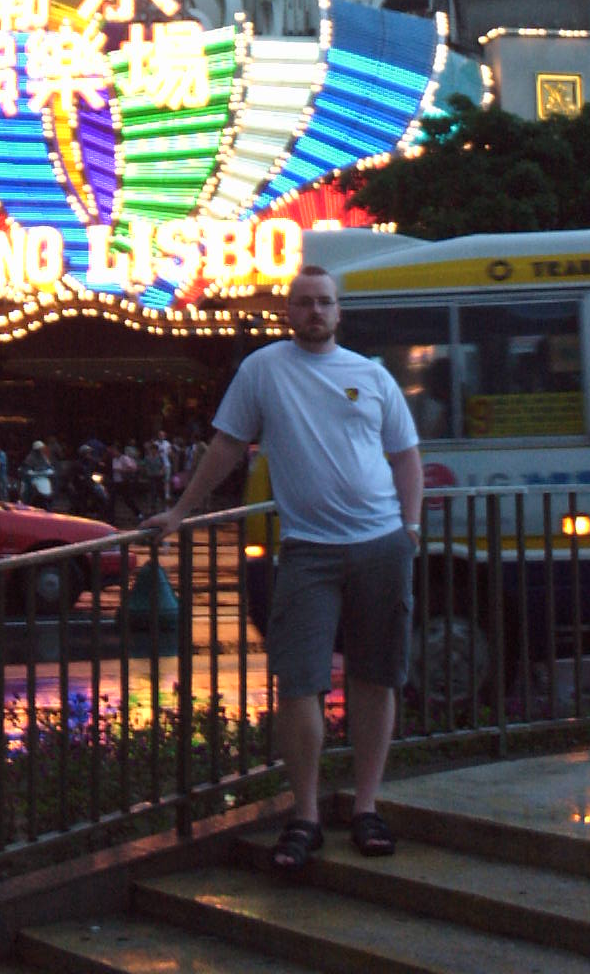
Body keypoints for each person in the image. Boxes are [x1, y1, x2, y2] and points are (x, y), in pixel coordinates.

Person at [147, 264, 423, 877]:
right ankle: (305, 816)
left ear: (338, 312)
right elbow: (226, 446)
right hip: (307, 550)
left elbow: (405, 455)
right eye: (304, 303)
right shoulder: (262, 371)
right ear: (288, 311)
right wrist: (181, 510)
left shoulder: (371, 375)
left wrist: (409, 529)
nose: (315, 312)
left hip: (381, 544)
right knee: (299, 683)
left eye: (324, 303)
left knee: (376, 677)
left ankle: (367, 805)